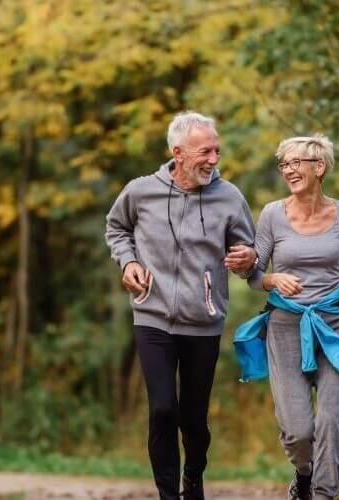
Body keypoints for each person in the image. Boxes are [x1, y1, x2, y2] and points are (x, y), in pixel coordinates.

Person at [105, 111, 256, 500]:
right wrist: (130, 261)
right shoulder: (141, 191)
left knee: (193, 419)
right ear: (179, 152)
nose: (214, 159)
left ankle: (194, 474)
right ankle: (169, 495)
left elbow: (249, 252)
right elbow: (117, 227)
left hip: (202, 322)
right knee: (161, 410)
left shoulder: (229, 197)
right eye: (205, 151)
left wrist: (248, 259)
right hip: (152, 316)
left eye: (217, 150)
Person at [234, 134, 339, 500]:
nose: (288, 170)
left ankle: (325, 494)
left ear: (319, 167)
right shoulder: (272, 215)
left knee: (330, 420)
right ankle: (305, 474)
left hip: (332, 325)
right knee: (298, 431)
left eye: (296, 162)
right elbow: (253, 275)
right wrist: (272, 278)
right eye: (284, 164)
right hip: (285, 327)